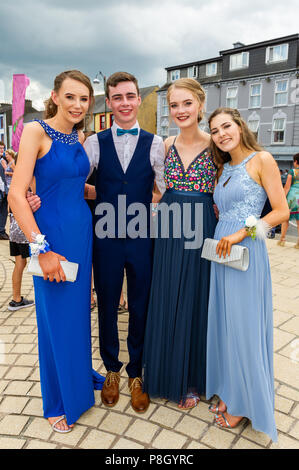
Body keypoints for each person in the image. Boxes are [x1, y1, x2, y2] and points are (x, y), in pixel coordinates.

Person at [8, 70, 105, 433]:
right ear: (55, 96)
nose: (78, 104)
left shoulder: (77, 135)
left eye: (84, 99)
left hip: (81, 231)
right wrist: (41, 249)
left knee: (78, 313)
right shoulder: (36, 130)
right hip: (52, 237)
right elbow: (17, 194)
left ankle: (79, 373)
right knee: (54, 319)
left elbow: (75, 186)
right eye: (71, 97)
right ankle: (58, 400)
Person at [84, 71, 165, 413]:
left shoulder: (156, 142)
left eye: (130, 96)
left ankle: (137, 372)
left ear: (138, 99)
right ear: (109, 101)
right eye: (117, 97)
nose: (125, 103)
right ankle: (112, 369)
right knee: (106, 304)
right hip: (106, 238)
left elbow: (164, 191)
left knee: (141, 304)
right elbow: (77, 185)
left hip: (142, 237)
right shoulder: (93, 143)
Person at [205, 107, 289, 442]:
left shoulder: (262, 159)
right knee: (225, 324)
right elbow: (224, 208)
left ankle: (242, 403)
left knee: (243, 326)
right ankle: (229, 388)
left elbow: (281, 211)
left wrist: (243, 232)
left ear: (240, 126)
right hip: (220, 250)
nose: (222, 134)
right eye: (214, 130)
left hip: (245, 250)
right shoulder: (223, 167)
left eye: (226, 126)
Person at [142, 78, 218, 408]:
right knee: (167, 292)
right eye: (174, 105)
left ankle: (189, 378)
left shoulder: (218, 144)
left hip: (202, 223)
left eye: (187, 103)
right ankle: (162, 371)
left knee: (193, 297)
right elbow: (155, 188)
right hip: (170, 221)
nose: (180, 110)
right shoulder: (166, 143)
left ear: (201, 104)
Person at [277, 153, 299, 248]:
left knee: (285, 219)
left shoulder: (292, 172)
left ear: (296, 161)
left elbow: (287, 187)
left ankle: (282, 239)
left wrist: (282, 198)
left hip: (292, 197)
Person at [0, 141, 9, 240]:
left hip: (5, 189)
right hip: (1, 189)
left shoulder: (3, 160)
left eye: (3, 148)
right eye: (0, 148)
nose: (2, 150)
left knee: (4, 211)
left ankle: (1, 231)